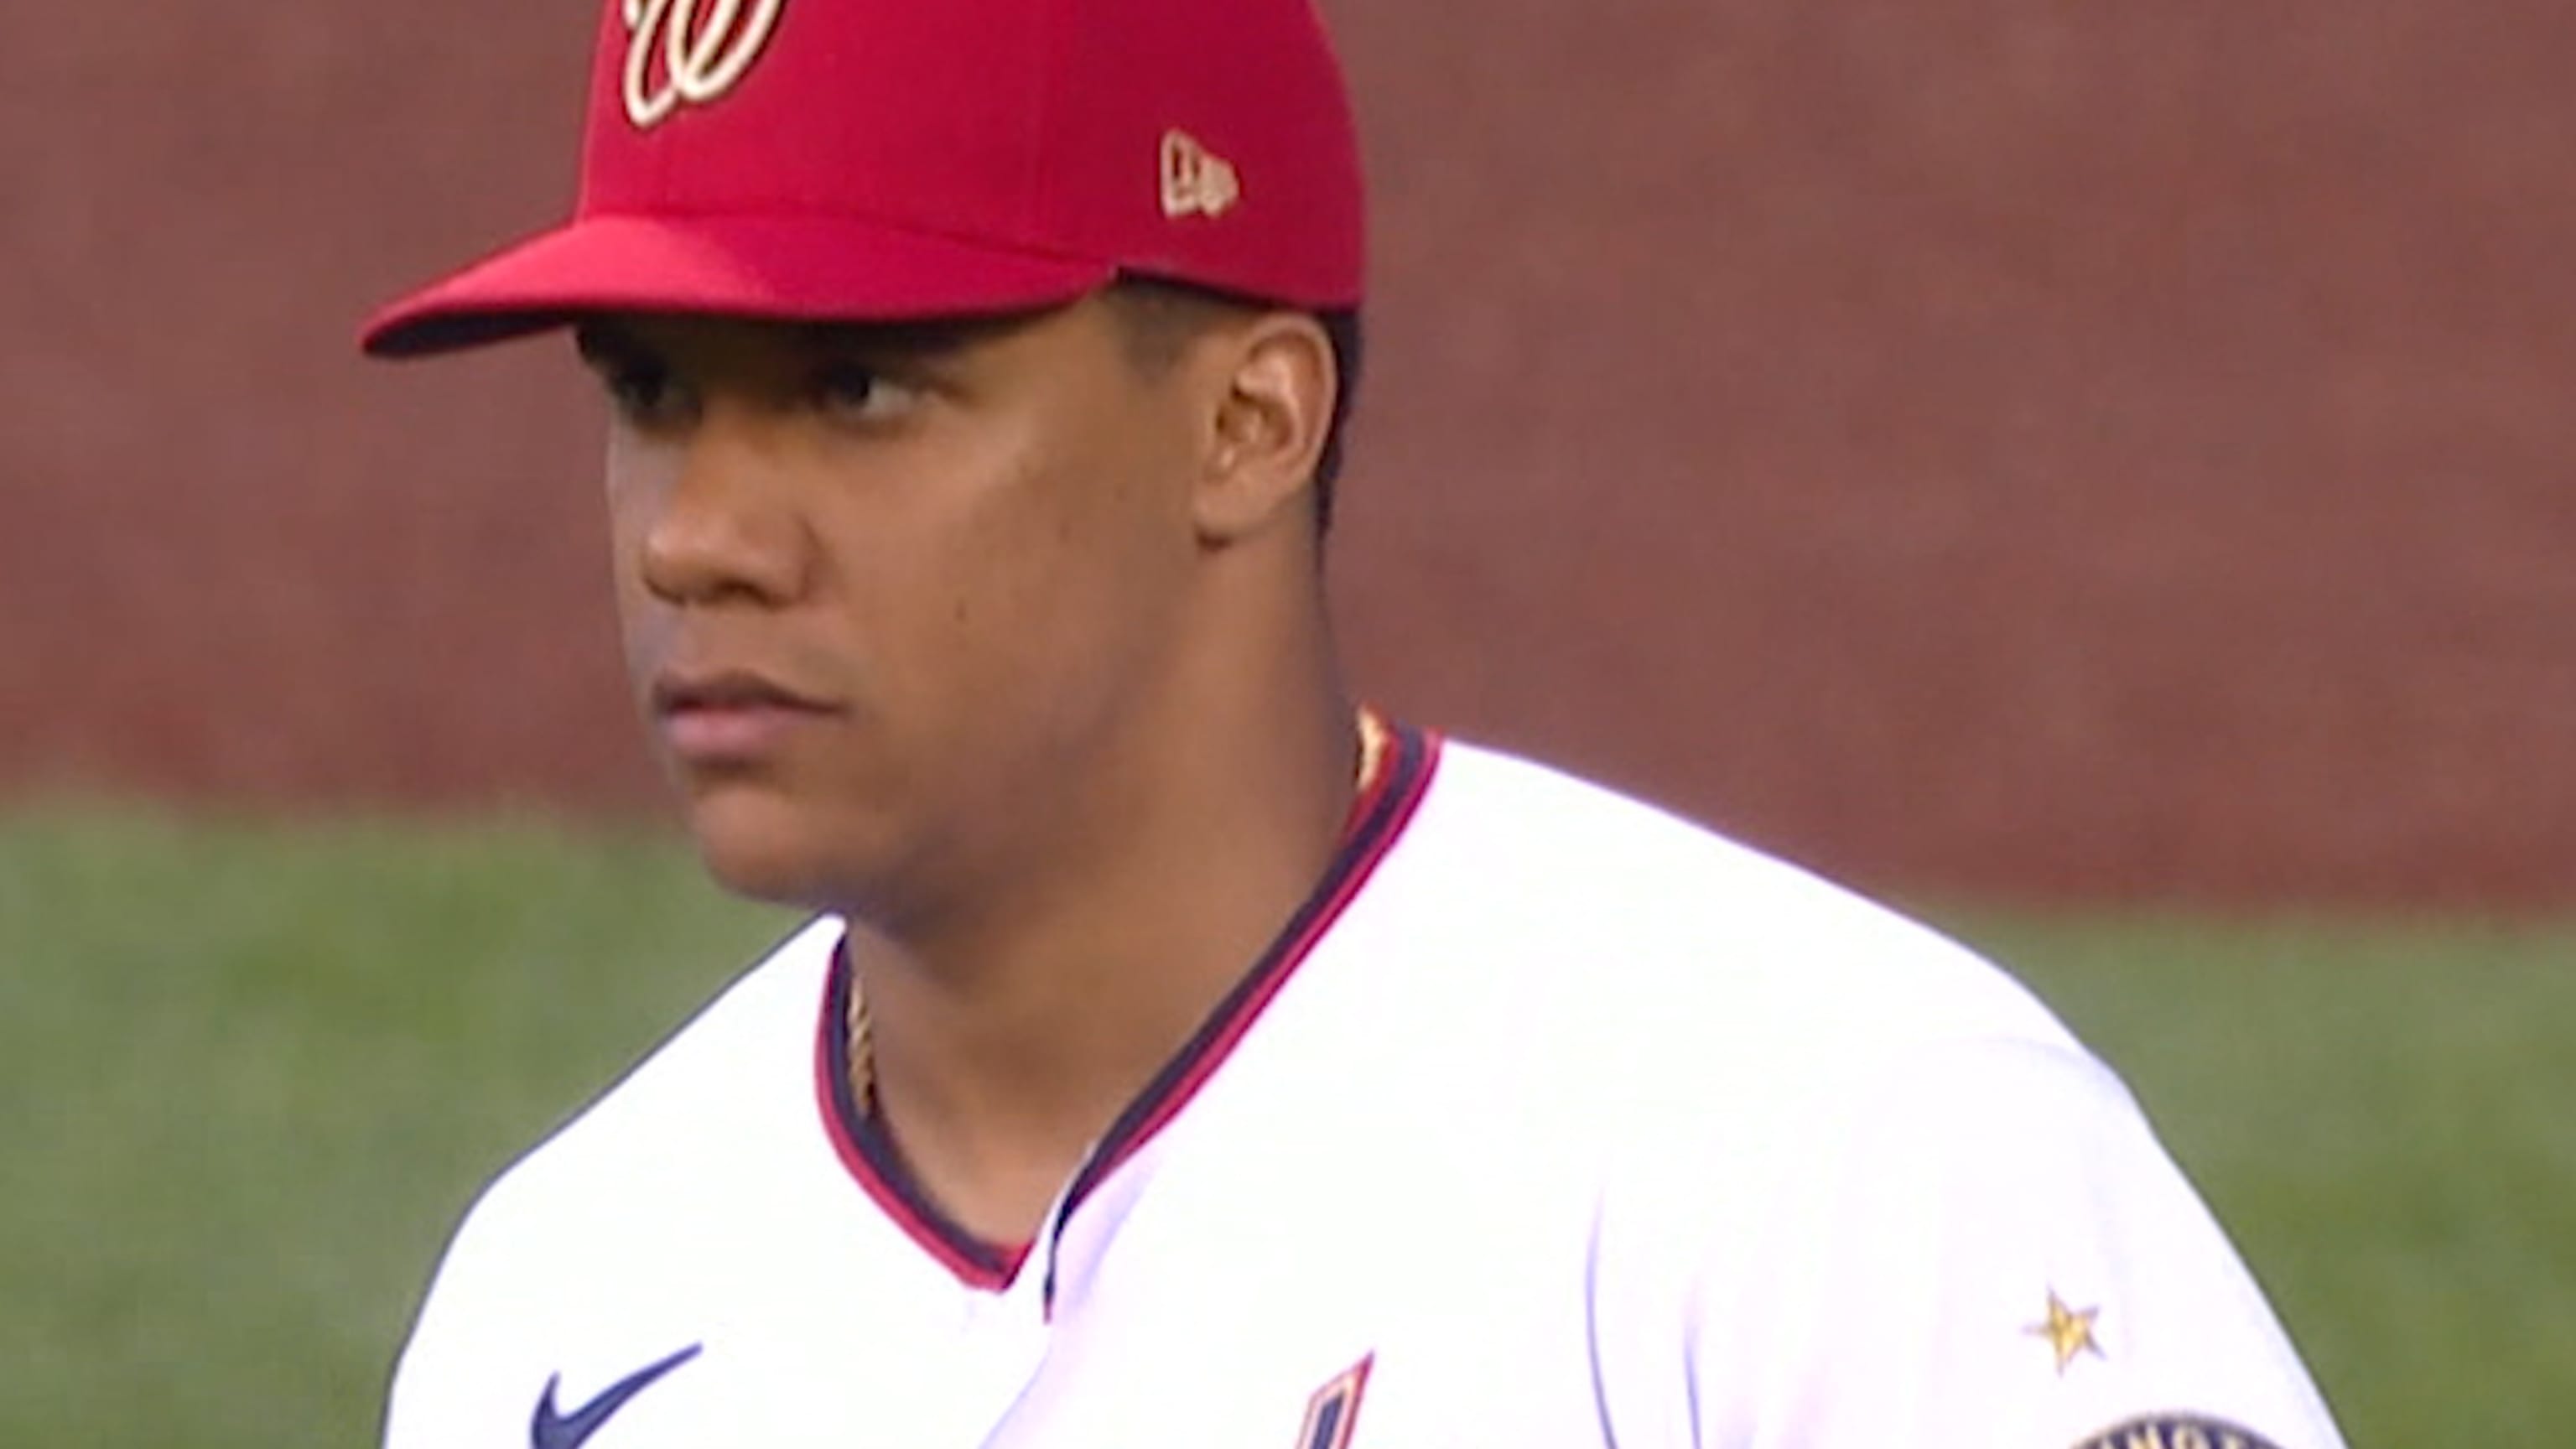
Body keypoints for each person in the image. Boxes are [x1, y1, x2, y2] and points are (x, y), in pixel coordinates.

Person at [361, 0, 2349, 1445]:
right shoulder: (565, 1302)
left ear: (1250, 420)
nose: (698, 535)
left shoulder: (1837, 1159)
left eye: (859, 390)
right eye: (648, 394)